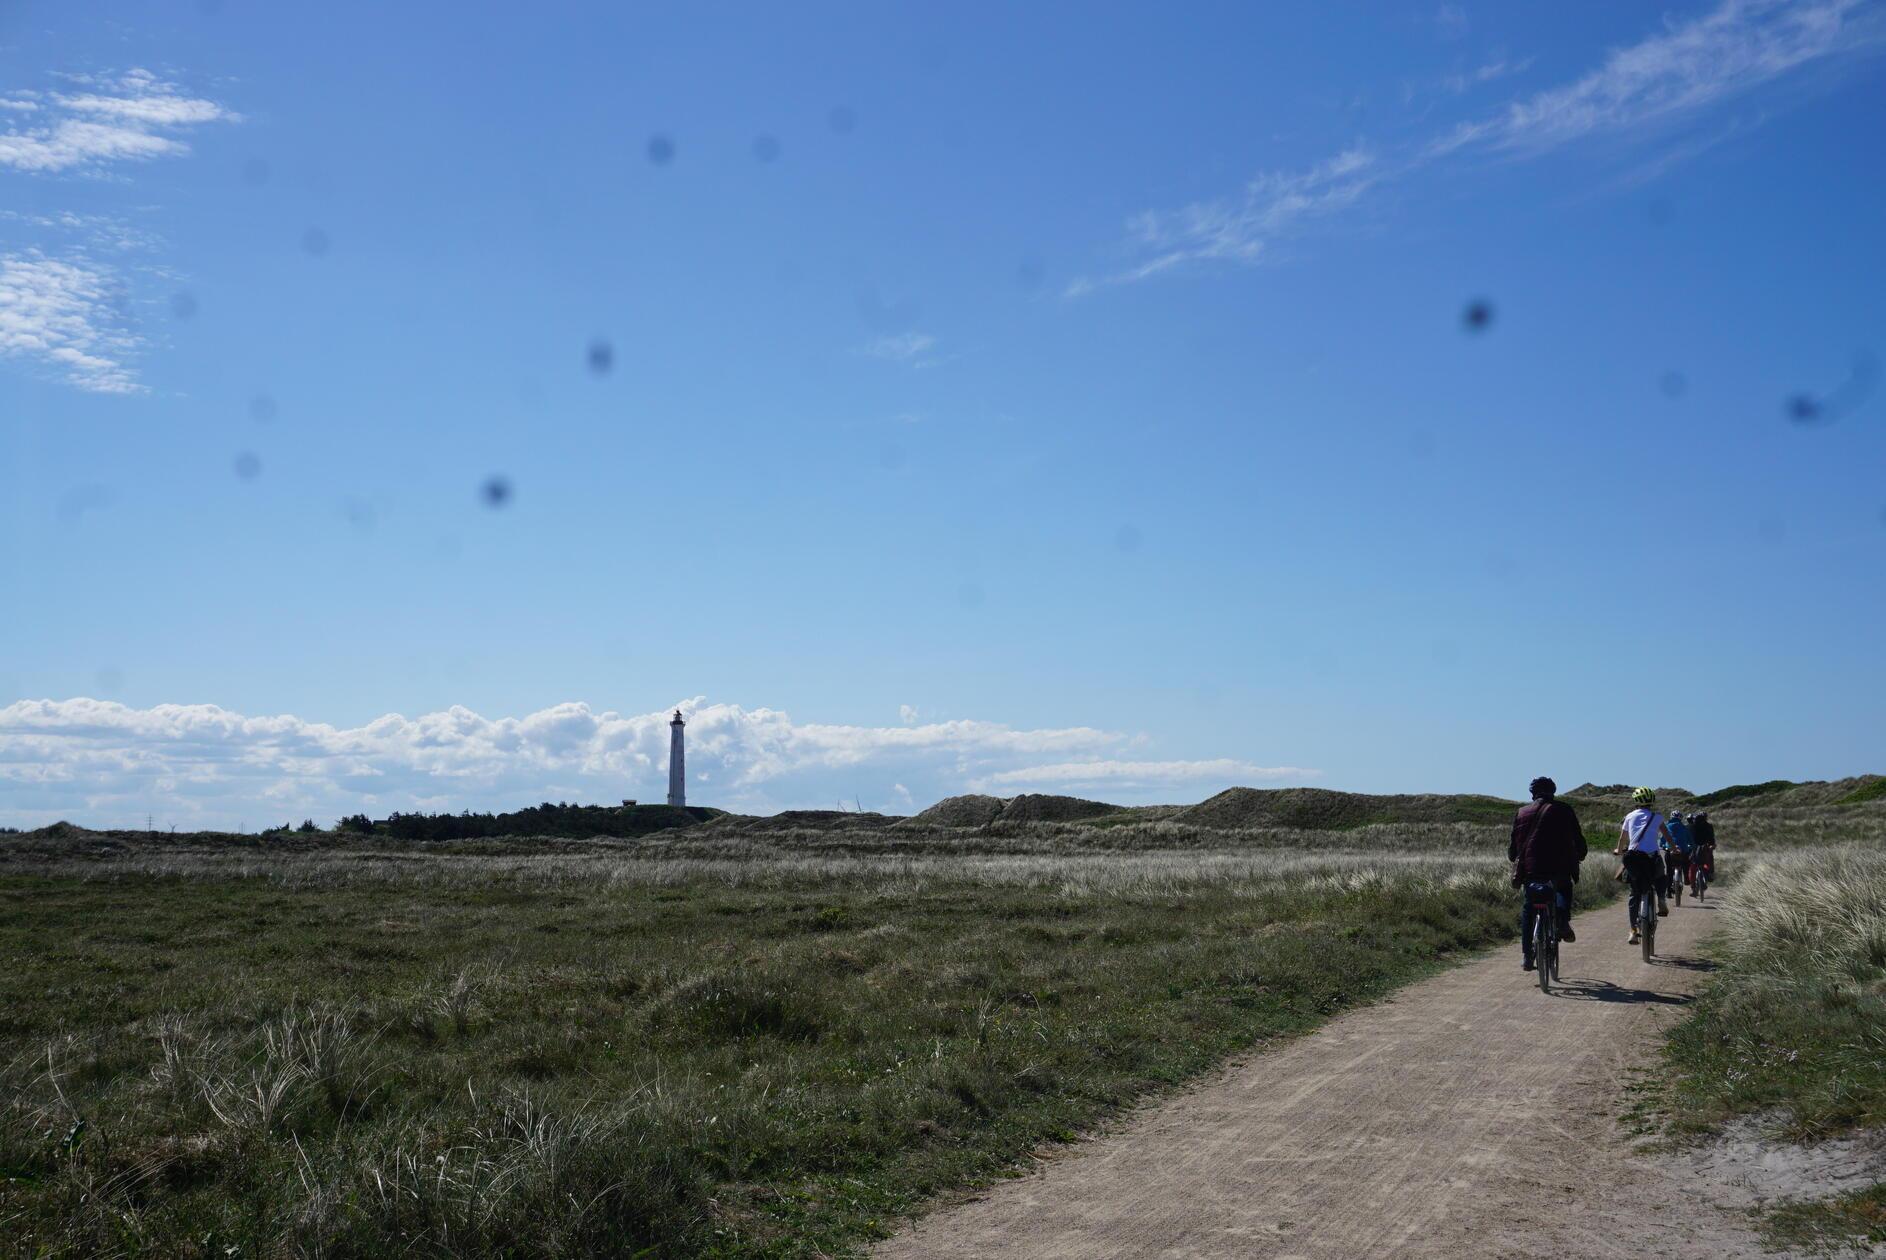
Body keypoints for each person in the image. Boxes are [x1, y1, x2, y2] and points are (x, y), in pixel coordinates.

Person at [1509, 776, 1586, 971]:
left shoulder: (1522, 812)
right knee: (1563, 888)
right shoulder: (1564, 810)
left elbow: (1513, 849)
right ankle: (1561, 921)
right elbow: (1578, 839)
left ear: (1532, 793)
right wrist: (1581, 853)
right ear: (1553, 792)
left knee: (1528, 908)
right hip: (1559, 867)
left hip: (1531, 870)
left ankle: (1527, 956)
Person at [1615, 787, 1674, 944]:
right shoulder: (1657, 817)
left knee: (1634, 893)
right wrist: (1674, 849)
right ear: (1652, 802)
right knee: (1661, 875)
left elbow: (1622, 839)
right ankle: (1661, 899)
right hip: (1652, 857)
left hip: (1634, 858)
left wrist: (1618, 850)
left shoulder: (1629, 816)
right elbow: (1667, 836)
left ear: (1636, 802)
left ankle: (1633, 930)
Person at [1664, 810, 1695, 895]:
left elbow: (1663, 840)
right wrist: (1691, 846)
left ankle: (1668, 891)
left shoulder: (1667, 826)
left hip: (1670, 850)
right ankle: (1686, 879)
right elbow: (1690, 840)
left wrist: (1663, 846)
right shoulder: (1684, 827)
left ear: (1671, 818)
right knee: (1686, 864)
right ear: (1680, 818)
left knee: (1669, 870)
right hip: (1683, 851)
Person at [1689, 811, 1717, 890]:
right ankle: (1710, 874)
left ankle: (1693, 884)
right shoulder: (1709, 826)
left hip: (1694, 848)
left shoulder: (1692, 826)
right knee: (1709, 860)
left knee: (1693, 866)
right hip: (1706, 847)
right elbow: (1711, 838)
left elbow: (1689, 838)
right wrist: (1712, 845)